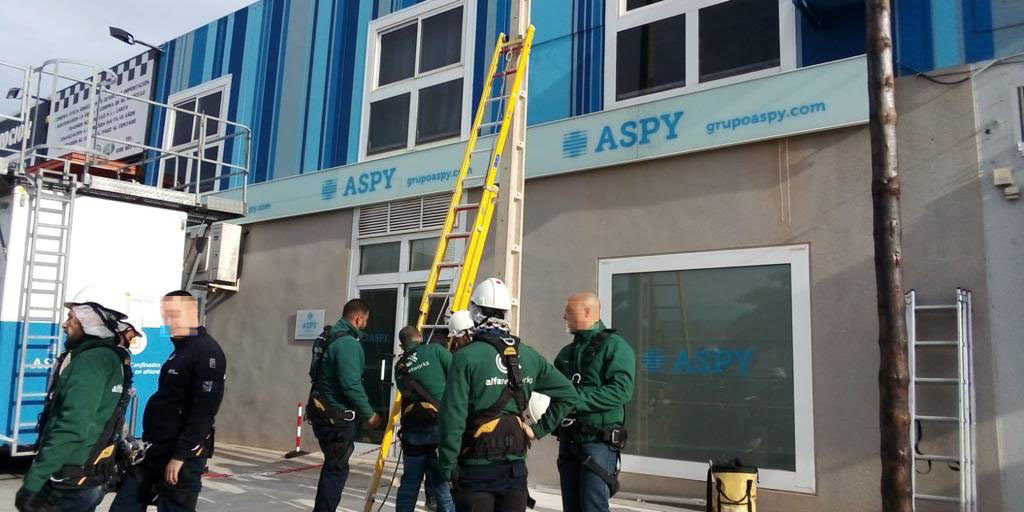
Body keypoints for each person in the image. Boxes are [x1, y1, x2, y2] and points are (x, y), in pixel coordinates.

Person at [438, 278, 579, 512]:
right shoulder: (528, 355)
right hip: (515, 470)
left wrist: (447, 466)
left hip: (475, 468)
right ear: (506, 314)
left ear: (474, 311)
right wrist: (538, 429)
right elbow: (568, 394)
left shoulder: (465, 357)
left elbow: (452, 417)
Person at [109, 290, 226, 512]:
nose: (168, 321)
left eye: (174, 315)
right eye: (165, 316)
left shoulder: (207, 352)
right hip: (156, 449)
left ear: (193, 312)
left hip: (180, 456)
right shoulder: (182, 349)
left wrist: (181, 456)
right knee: (124, 504)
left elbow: (203, 411)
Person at [16, 301, 133, 512]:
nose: (64, 325)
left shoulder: (91, 361)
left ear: (88, 324)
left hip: (72, 477)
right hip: (89, 472)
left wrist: (34, 481)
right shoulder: (111, 357)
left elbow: (72, 425)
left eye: (71, 319)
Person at [554, 293, 636, 512]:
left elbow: (621, 391)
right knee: (571, 507)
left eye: (569, 312)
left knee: (593, 507)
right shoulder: (566, 354)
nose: (564, 316)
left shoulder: (616, 347)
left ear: (588, 312)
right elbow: (553, 394)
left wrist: (575, 401)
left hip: (598, 443)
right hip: (569, 442)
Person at [306, 298, 383, 512]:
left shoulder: (325, 336)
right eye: (366, 319)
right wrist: (369, 414)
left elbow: (314, 372)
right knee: (336, 469)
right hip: (337, 418)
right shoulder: (348, 344)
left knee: (333, 465)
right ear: (358, 319)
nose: (366, 324)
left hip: (321, 412)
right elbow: (351, 385)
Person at [393, 325, 455, 512]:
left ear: (402, 345)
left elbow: (405, 392)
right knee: (442, 486)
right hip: (438, 428)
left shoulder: (400, 366)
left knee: (409, 484)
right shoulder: (436, 350)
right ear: (420, 336)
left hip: (413, 431)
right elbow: (459, 374)